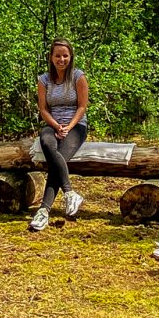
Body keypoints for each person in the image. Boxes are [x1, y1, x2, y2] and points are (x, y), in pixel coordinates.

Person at [30, 39, 89, 232]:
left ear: (70, 57)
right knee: (47, 143)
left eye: (65, 55)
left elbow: (82, 106)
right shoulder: (44, 80)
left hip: (76, 126)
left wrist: (68, 127)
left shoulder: (78, 77)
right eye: (57, 55)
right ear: (51, 57)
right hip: (52, 124)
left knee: (58, 160)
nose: (61, 59)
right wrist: (56, 126)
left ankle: (43, 211)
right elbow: (43, 109)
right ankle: (70, 193)